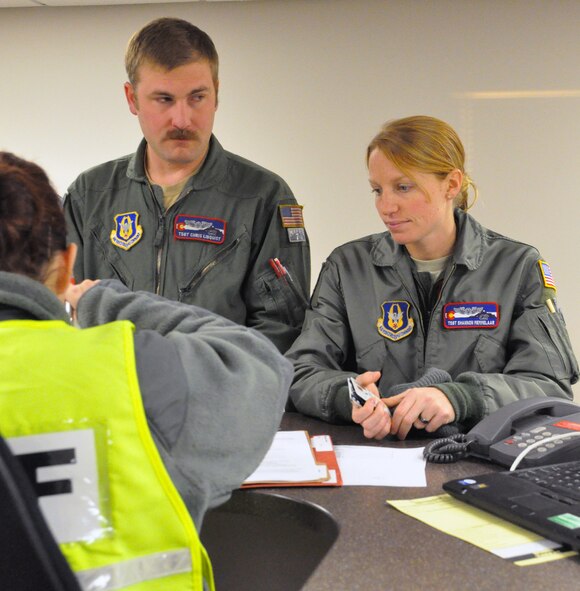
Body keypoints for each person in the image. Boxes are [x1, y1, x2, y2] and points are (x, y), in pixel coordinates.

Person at [0, 151, 292, 590]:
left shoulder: (261, 192)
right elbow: (261, 367)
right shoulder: (129, 370)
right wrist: (104, 300)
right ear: (66, 267)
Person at [286, 115, 579, 441]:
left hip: (475, 464)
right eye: (377, 190)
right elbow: (301, 372)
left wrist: (460, 398)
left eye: (403, 187)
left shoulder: (517, 267)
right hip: (374, 462)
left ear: (452, 185)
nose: (386, 206)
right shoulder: (347, 267)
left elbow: (550, 387)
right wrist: (348, 396)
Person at [63, 17, 310, 354]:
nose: (182, 120)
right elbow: (61, 310)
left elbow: (281, 333)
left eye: (197, 98)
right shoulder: (89, 195)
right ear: (131, 98)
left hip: (216, 400)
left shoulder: (264, 197)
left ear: (217, 94)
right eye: (164, 99)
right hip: (110, 398)